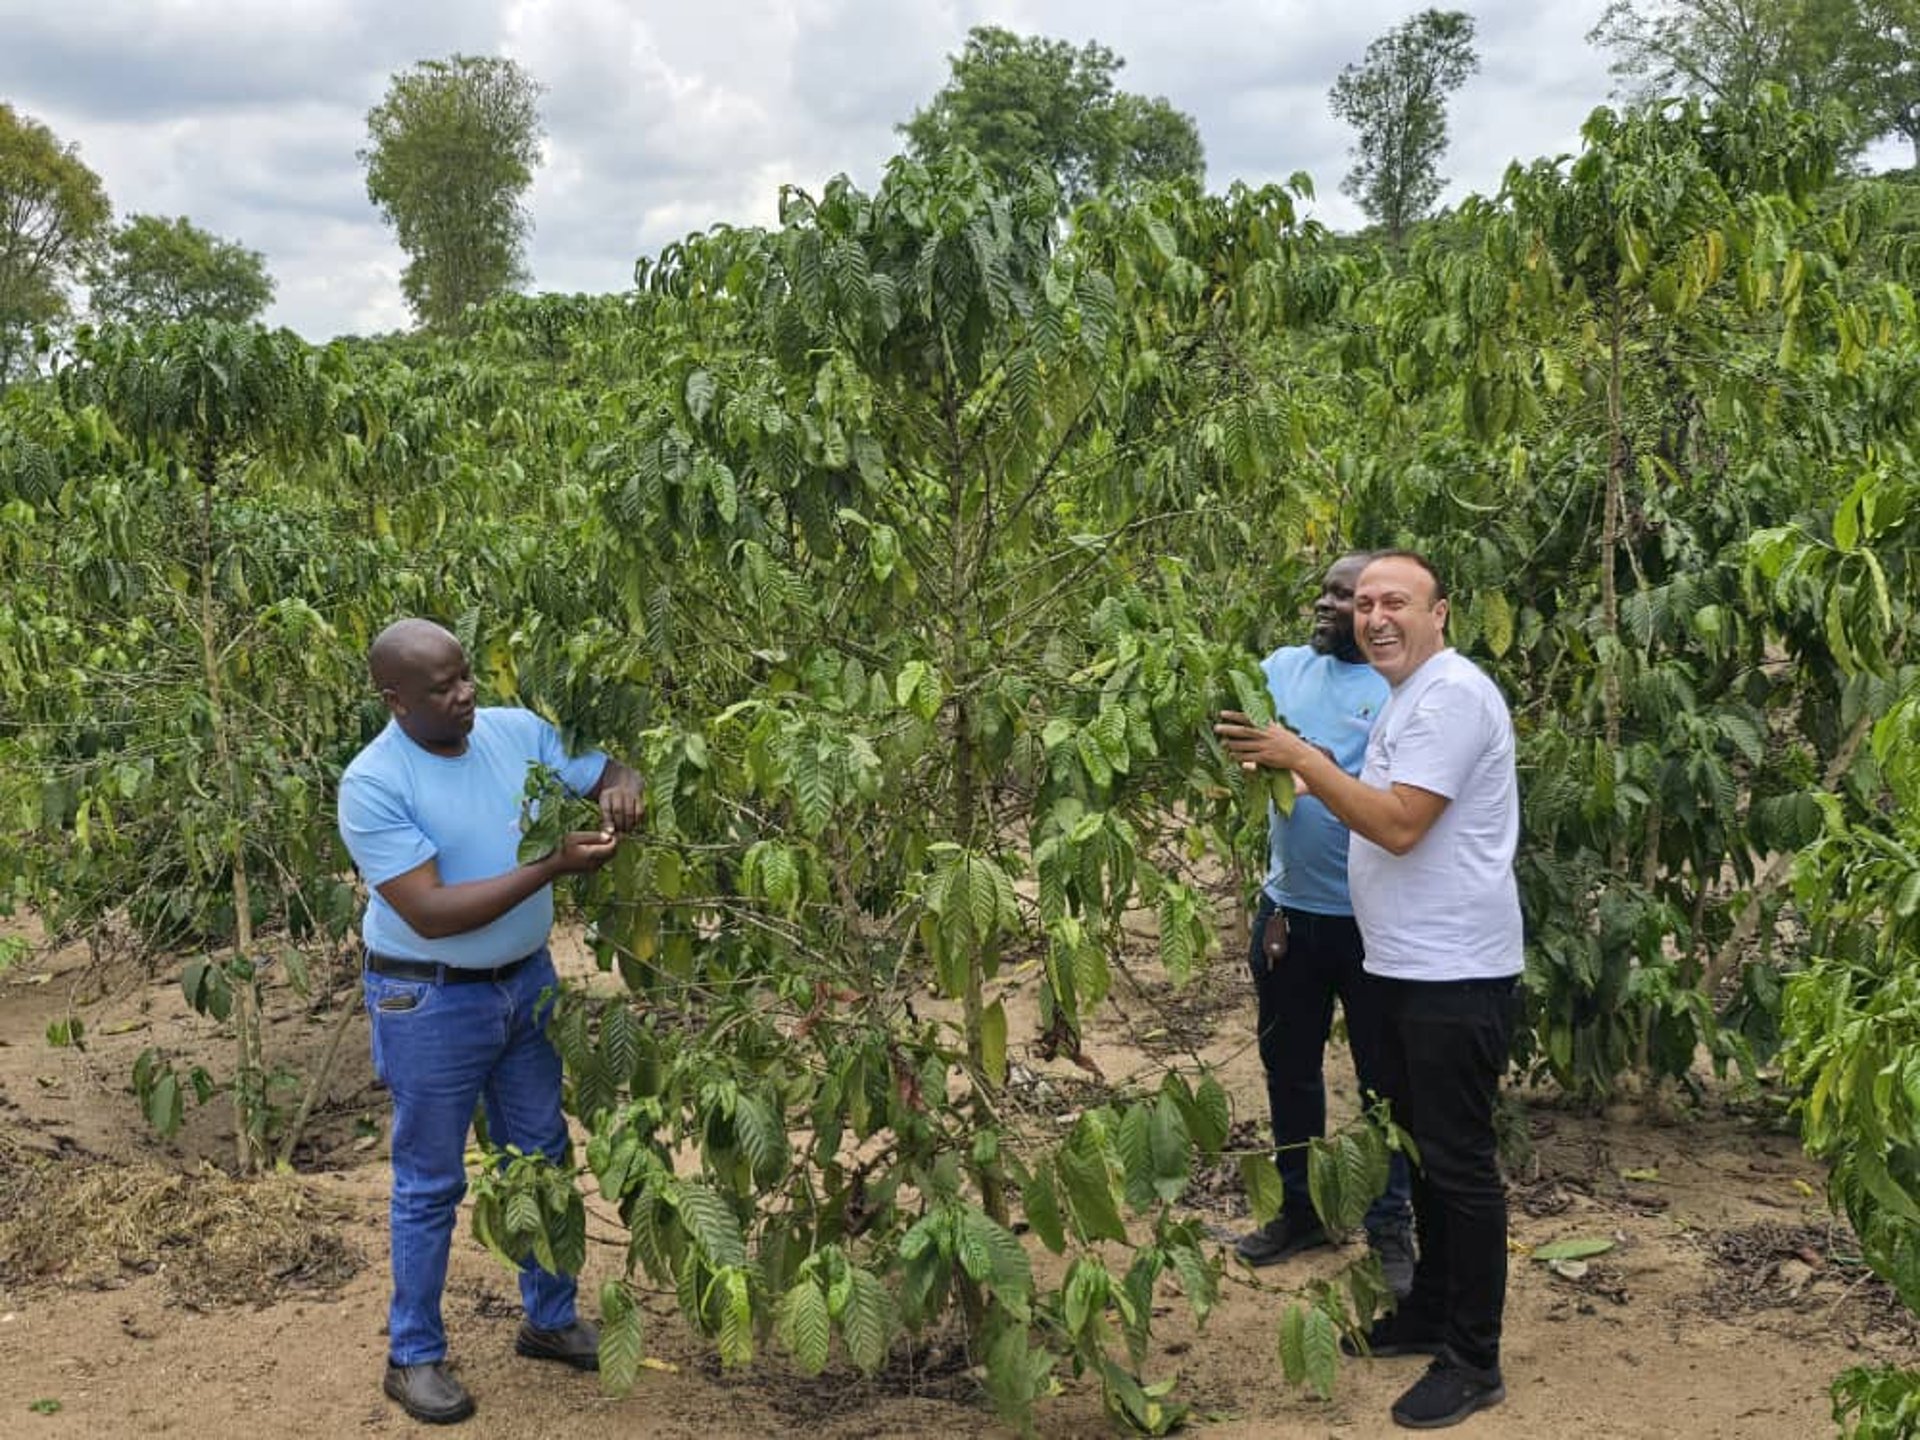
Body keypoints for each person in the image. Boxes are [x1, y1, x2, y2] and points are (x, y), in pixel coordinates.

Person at [1216, 551, 1522, 1431]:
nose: (1376, 616)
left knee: (1459, 1165)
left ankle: (1475, 1357)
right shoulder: (1408, 695)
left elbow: (1396, 824)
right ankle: (1429, 1306)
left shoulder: (1454, 695)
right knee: (1420, 1146)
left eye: (1398, 602)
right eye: (1368, 604)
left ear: (1443, 613)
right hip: (1399, 964)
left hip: (1453, 970)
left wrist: (1299, 757)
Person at [337, 618, 643, 1426]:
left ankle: (549, 1319)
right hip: (429, 997)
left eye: (466, 675)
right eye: (442, 688)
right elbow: (432, 912)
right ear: (394, 700)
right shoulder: (373, 783)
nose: (466, 694)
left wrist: (620, 782)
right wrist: (551, 867)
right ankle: (414, 1356)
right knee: (432, 1180)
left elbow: (607, 764)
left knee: (541, 1153)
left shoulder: (516, 733)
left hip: (525, 986)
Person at [1218, 553, 1415, 1297]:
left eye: (1351, 596)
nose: (1331, 606)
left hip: (1373, 922)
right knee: (1289, 1070)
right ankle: (1299, 1210)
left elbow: (1399, 802)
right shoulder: (1281, 669)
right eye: (1330, 592)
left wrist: (1322, 766)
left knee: (1384, 1085)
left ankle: (1390, 1225)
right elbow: (1237, 740)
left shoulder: (1400, 692)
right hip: (1288, 916)